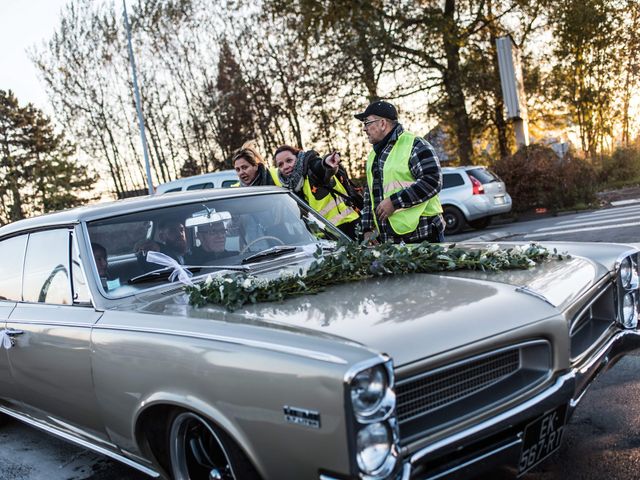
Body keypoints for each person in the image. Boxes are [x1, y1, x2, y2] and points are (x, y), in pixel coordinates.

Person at [355, 100, 444, 244]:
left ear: (382, 123)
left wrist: (394, 202)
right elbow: (369, 195)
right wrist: (367, 229)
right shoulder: (373, 156)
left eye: (367, 123)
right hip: (390, 241)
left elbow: (433, 181)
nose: (364, 129)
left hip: (424, 237)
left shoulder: (416, 145)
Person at [272, 146, 361, 240]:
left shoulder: (311, 169)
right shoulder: (289, 186)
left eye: (289, 160)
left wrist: (327, 162)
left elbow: (320, 166)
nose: (285, 166)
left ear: (298, 158)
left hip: (349, 227)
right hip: (325, 238)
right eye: (280, 165)